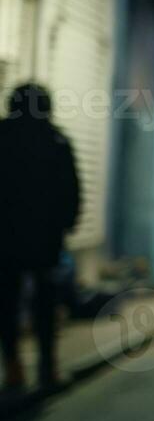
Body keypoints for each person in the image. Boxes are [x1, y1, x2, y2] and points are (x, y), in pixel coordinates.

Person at [0, 83, 80, 392]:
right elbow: (70, 190)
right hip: (45, 238)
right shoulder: (56, 141)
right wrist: (67, 224)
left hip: (5, 236)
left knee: (6, 301)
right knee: (45, 302)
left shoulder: (3, 137)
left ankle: (14, 367)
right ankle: (48, 367)